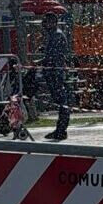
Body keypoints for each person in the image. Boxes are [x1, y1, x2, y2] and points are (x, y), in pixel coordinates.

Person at [41, 13, 70, 141]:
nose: (44, 25)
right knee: (60, 101)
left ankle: (61, 130)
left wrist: (41, 62)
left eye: (46, 22)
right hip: (53, 71)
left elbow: (53, 56)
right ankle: (60, 129)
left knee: (62, 101)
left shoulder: (57, 35)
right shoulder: (53, 35)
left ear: (52, 23)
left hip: (55, 73)